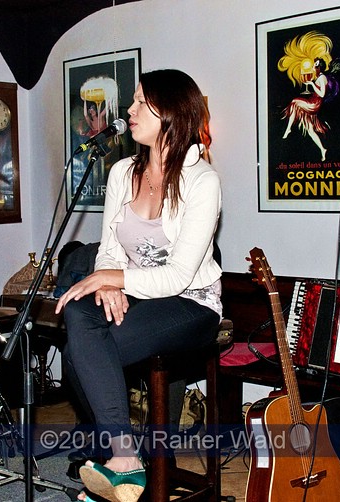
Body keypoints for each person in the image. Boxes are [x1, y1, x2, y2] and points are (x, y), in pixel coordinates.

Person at [54, 69, 222, 502]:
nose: (129, 110)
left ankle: (122, 463)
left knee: (81, 355)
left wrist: (115, 277)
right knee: (77, 311)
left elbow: (178, 275)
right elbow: (109, 250)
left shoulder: (202, 181)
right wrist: (108, 282)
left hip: (191, 302)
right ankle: (126, 457)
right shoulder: (122, 172)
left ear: (170, 112)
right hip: (136, 295)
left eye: (141, 102)